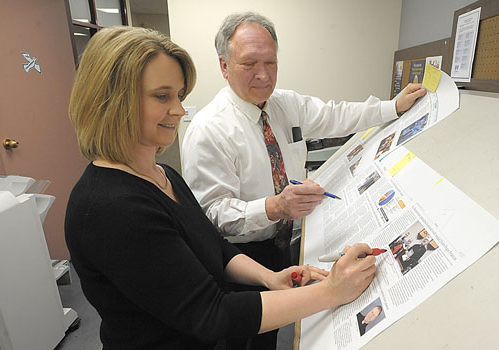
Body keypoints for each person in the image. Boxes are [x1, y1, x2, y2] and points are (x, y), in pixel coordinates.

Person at [65, 26, 378, 350]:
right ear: (113, 101)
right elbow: (210, 314)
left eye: (179, 95)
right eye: (162, 96)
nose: (179, 110)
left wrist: (268, 278)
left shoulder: (163, 174)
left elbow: (213, 245)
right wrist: (332, 292)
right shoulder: (110, 208)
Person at [181, 13, 425, 348]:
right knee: (241, 339)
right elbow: (211, 218)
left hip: (286, 248)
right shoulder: (208, 130)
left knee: (270, 337)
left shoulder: (285, 105)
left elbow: (337, 115)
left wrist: (392, 107)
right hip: (241, 260)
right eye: (249, 63)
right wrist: (275, 206)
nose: (263, 75)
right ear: (224, 66)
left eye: (270, 62)